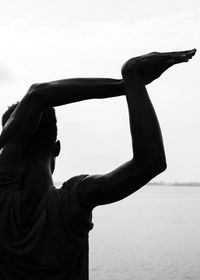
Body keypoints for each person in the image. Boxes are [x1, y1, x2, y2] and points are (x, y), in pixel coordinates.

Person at [0, 49, 196, 280]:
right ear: (57, 148)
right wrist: (132, 79)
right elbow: (151, 163)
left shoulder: (3, 197)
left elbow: (36, 96)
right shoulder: (75, 200)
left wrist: (125, 84)